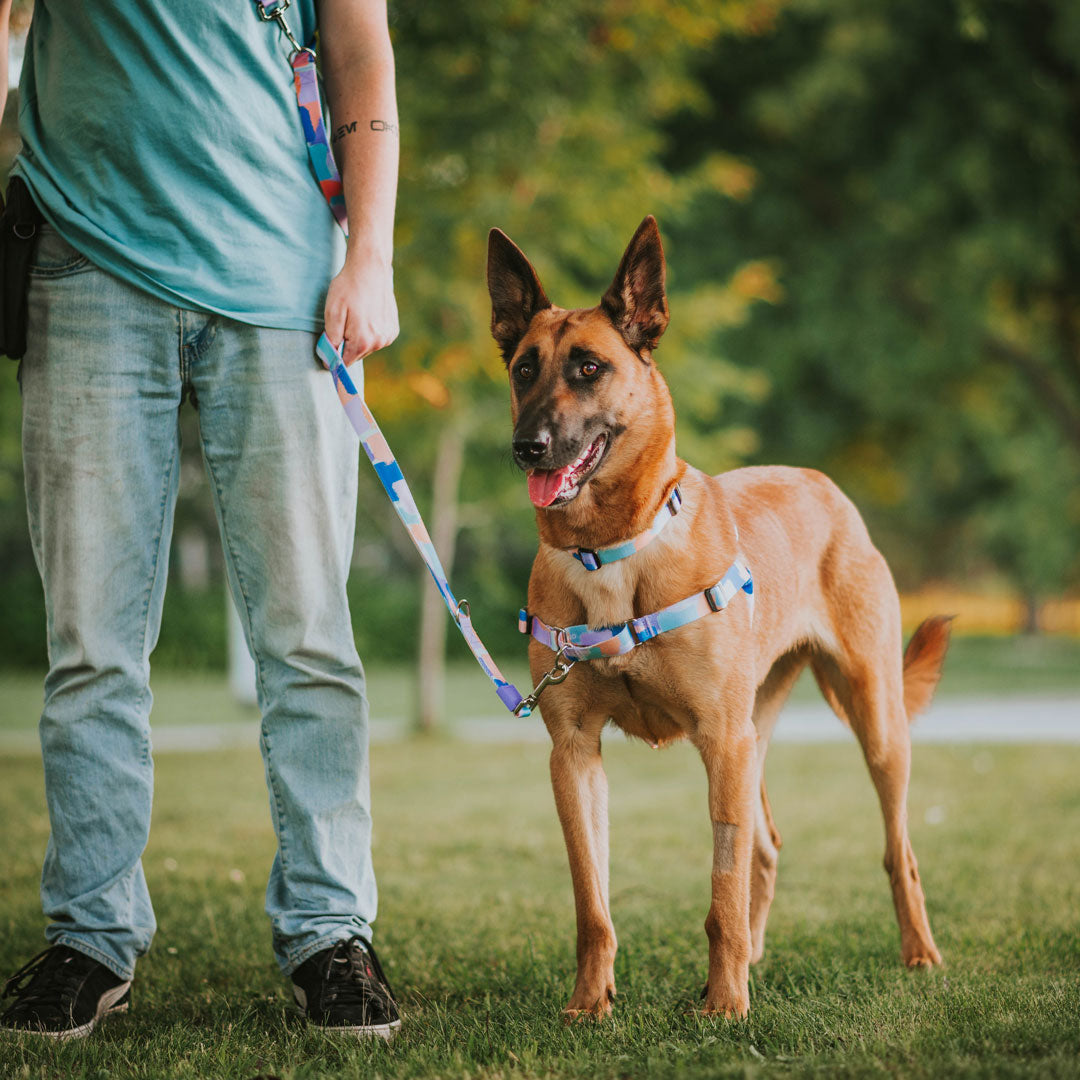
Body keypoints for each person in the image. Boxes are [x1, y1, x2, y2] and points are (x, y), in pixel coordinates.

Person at [0, 0, 402, 1040]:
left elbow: (359, 51)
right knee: (90, 639)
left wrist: (373, 257)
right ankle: (89, 934)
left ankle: (331, 930)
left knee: (309, 635)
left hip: (282, 282)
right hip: (83, 269)